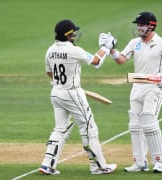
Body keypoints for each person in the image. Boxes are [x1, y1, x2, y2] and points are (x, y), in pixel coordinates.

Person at [99, 12, 162, 173]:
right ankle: (139, 162)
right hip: (137, 86)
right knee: (135, 125)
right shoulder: (134, 43)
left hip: (154, 87)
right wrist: (111, 49)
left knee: (149, 123)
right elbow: (121, 60)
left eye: (141, 25)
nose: (138, 28)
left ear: (151, 26)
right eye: (137, 25)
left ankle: (160, 161)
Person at [38, 19, 117, 175]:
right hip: (72, 93)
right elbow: (96, 62)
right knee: (89, 128)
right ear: (68, 35)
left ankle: (47, 164)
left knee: (60, 128)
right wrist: (106, 47)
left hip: (56, 93)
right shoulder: (74, 50)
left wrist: (62, 81)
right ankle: (99, 166)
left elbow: (49, 73)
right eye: (73, 33)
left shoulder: (50, 50)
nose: (74, 35)